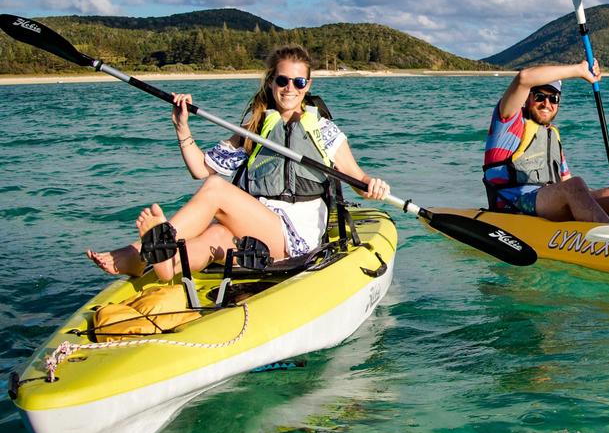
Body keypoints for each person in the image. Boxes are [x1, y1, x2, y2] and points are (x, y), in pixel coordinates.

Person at [87, 45, 390, 281]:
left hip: (296, 236)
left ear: (307, 85)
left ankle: (140, 253)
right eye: (283, 80)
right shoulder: (254, 128)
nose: (290, 88)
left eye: (298, 82)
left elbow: (357, 179)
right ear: (272, 82)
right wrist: (182, 127)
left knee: (217, 190)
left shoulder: (323, 130)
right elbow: (200, 169)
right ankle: (168, 265)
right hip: (258, 225)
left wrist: (373, 185)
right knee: (216, 236)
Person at [483, 60, 609, 226]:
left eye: (553, 98)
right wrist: (580, 70)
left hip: (549, 201)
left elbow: (566, 183)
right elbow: (524, 78)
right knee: (575, 185)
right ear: (527, 99)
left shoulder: (552, 135)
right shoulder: (508, 119)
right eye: (540, 96)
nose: (546, 104)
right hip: (514, 203)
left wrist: (604, 199)